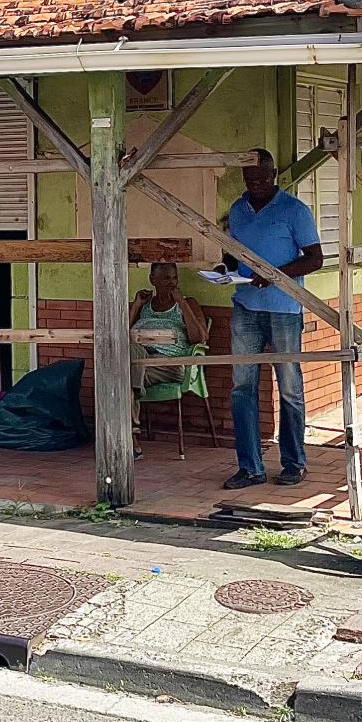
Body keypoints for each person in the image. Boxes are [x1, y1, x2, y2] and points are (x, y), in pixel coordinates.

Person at [221, 147, 324, 490]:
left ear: (274, 174)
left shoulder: (294, 210)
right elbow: (233, 255)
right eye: (250, 180)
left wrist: (276, 275)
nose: (257, 185)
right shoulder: (237, 210)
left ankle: (294, 463)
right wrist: (226, 271)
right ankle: (250, 467)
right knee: (242, 387)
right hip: (245, 305)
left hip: (284, 308)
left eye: (263, 178)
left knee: (290, 386)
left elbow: (314, 259)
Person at [128, 262, 210, 431]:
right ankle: (131, 432)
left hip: (169, 362)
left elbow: (199, 338)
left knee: (121, 376)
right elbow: (119, 335)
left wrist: (181, 302)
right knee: (128, 352)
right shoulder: (145, 305)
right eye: (166, 278)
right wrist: (136, 305)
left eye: (174, 278)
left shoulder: (188, 303)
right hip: (141, 358)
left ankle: (131, 432)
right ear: (152, 279)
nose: (172, 283)